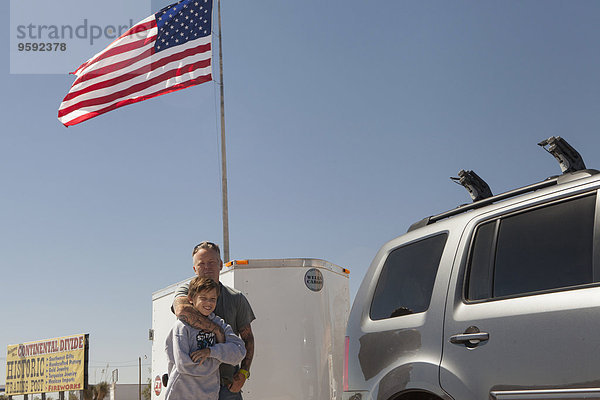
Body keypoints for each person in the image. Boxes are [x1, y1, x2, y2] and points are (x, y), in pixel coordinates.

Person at [173, 241, 256, 400]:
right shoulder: (186, 290)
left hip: (227, 387)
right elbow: (182, 310)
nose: (207, 267)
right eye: (201, 263)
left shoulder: (235, 298)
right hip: (193, 387)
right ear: (194, 269)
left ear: (220, 265)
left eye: (211, 262)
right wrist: (216, 330)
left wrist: (243, 373)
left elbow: (248, 339)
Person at [164, 277, 246, 400]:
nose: (208, 303)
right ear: (191, 299)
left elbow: (239, 352)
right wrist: (217, 360)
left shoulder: (220, 324)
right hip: (181, 394)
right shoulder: (182, 326)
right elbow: (184, 364)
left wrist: (211, 352)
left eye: (212, 299)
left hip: (209, 395)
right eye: (203, 298)